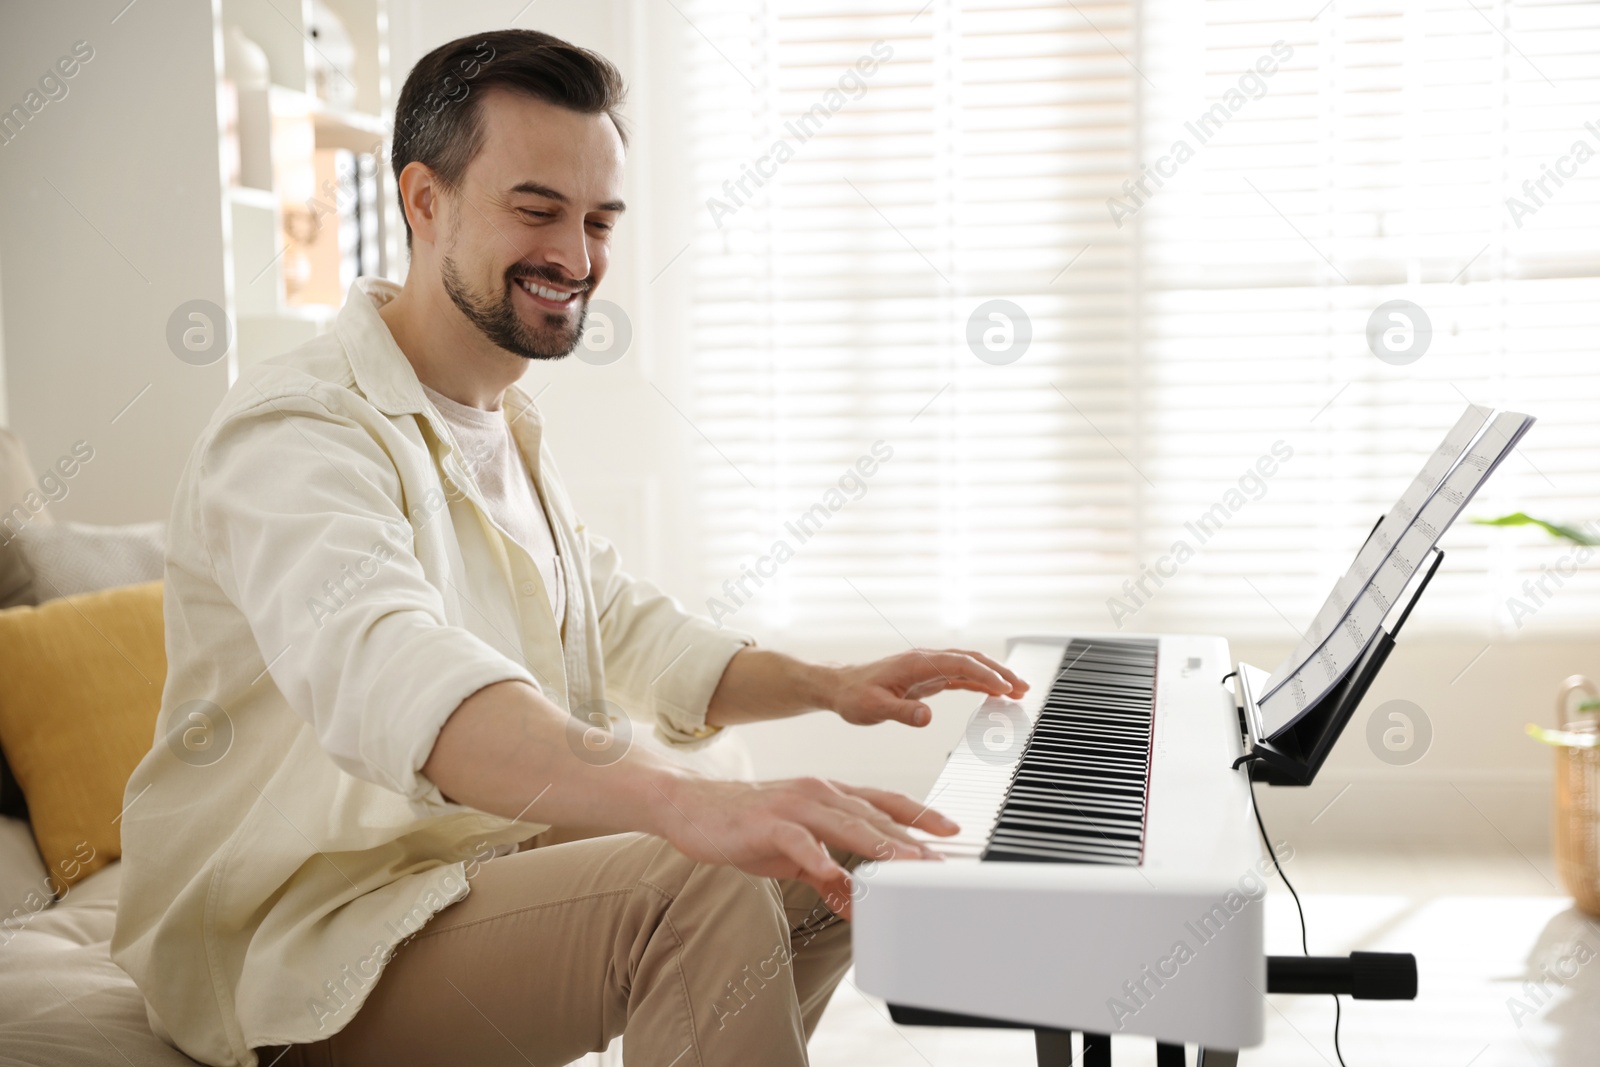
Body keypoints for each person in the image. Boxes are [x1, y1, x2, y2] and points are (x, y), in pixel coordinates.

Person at [111, 28, 1026, 1067]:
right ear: (424, 200)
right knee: (705, 870)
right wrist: (690, 802)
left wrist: (831, 681)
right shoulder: (294, 431)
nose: (578, 258)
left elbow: (628, 628)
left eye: (599, 221)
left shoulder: (499, 422)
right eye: (537, 209)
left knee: (829, 860)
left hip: (455, 869)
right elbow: (394, 670)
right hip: (299, 943)